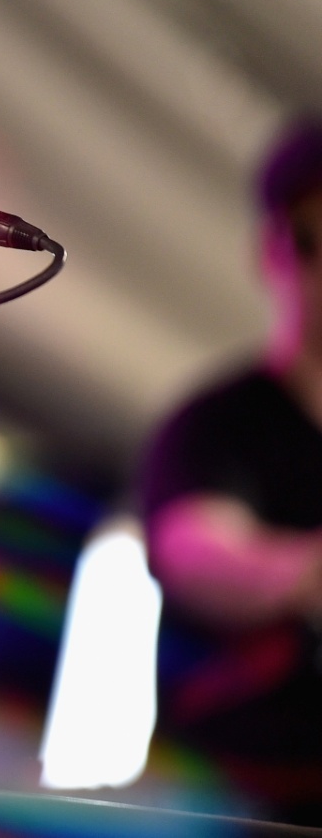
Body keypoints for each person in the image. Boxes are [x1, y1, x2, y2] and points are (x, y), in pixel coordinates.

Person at [141, 118, 322, 824]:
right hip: (252, 800)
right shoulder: (218, 424)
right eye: (314, 239)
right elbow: (195, 550)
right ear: (275, 253)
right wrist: (302, 572)